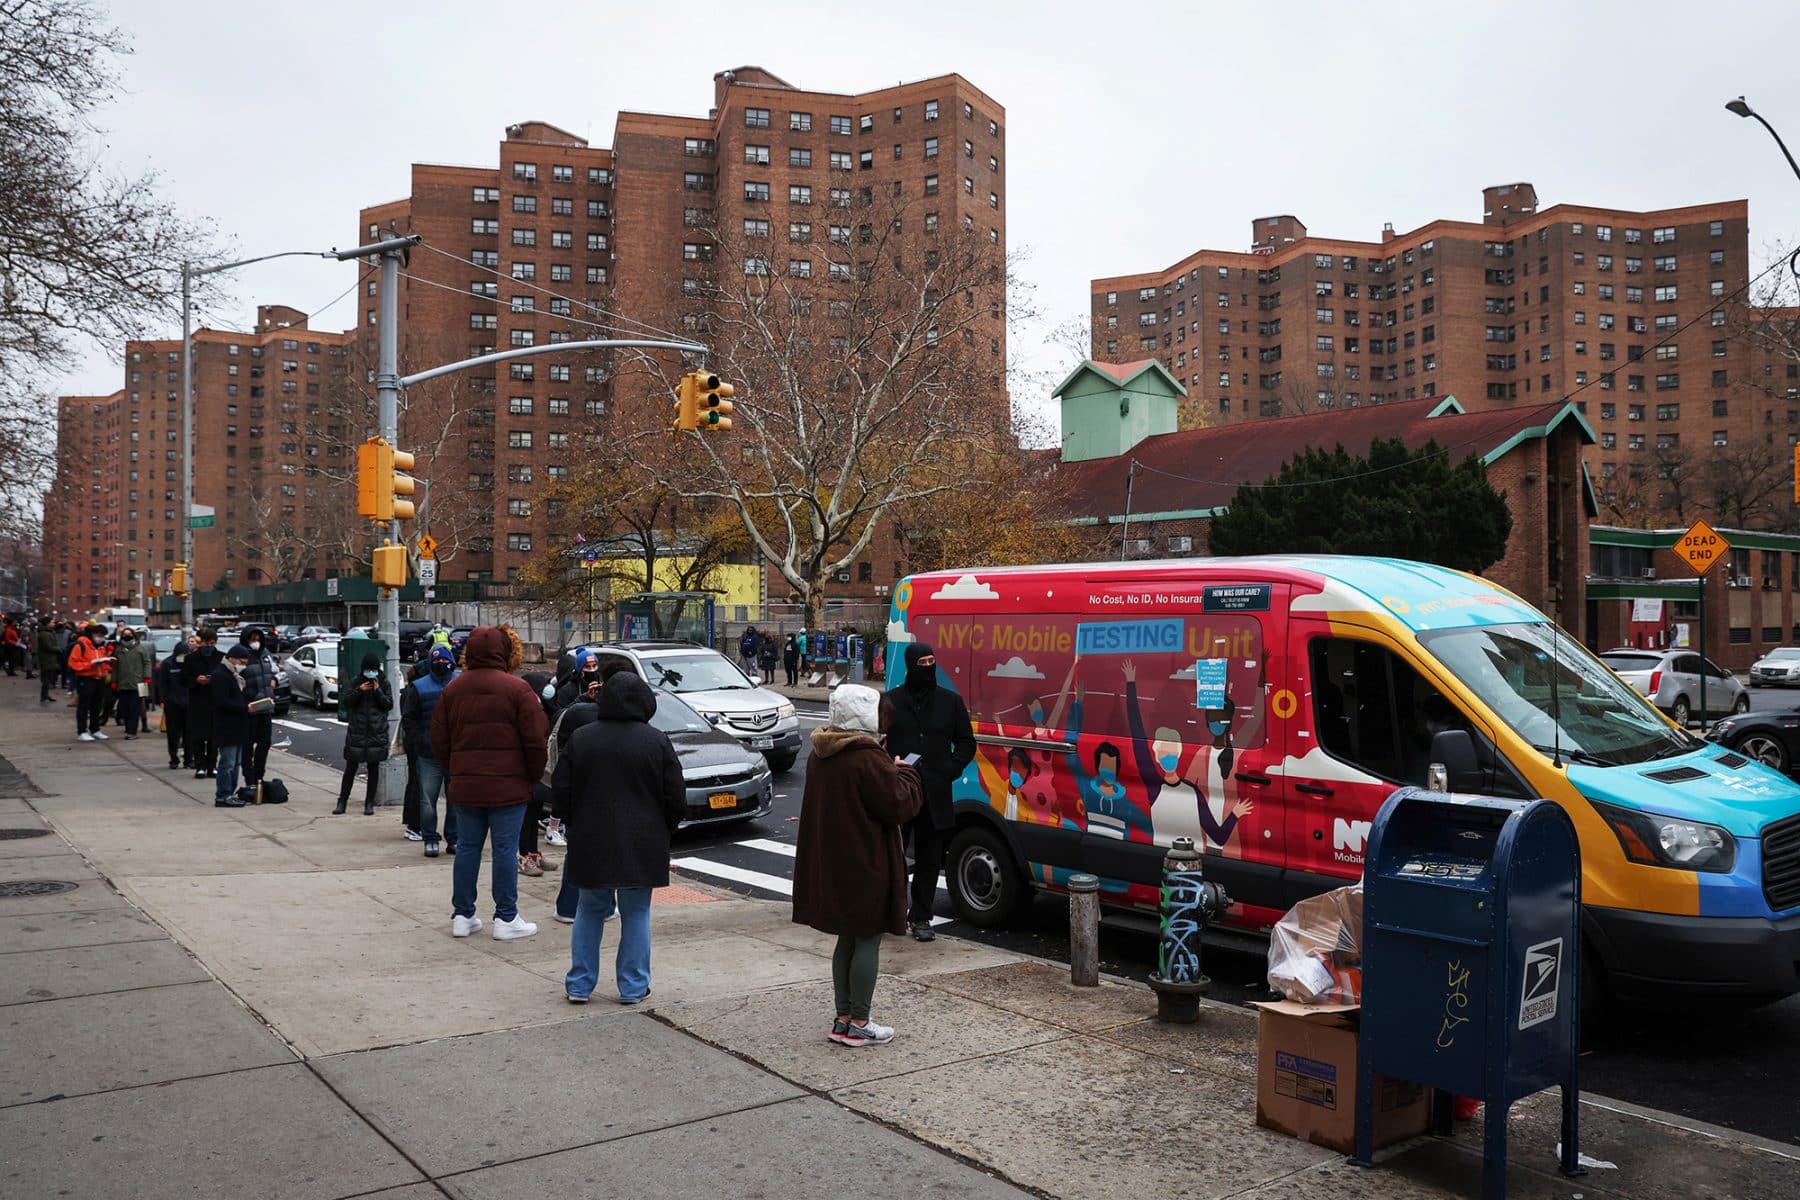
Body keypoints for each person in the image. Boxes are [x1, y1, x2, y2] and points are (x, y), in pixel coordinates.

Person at [793, 683, 922, 1046]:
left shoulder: (822, 752)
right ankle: (861, 1022)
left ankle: (843, 1018)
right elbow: (899, 804)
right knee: (868, 936)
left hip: (833, 860)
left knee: (846, 938)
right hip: (866, 860)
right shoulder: (867, 757)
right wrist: (906, 773)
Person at [552, 668, 684, 1005]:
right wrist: (663, 830)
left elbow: (561, 791)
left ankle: (580, 984)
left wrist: (572, 823)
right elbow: (676, 798)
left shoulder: (582, 738)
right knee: (636, 913)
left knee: (589, 909)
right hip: (643, 840)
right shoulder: (656, 741)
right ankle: (633, 986)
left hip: (590, 838)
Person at [430, 626, 546, 941]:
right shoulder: (518, 689)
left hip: (466, 785)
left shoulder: (453, 690)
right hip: (509, 786)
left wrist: (455, 769)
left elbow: (438, 738)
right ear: (503, 652)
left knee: (467, 848)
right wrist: (531, 776)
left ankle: (463, 914)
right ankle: (506, 917)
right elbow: (536, 740)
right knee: (505, 851)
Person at [880, 642, 975, 941]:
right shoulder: (891, 701)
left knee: (930, 858)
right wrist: (888, 764)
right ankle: (891, 912)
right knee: (893, 856)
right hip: (900, 791)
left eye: (932, 661)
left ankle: (921, 917)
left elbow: (966, 742)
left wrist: (950, 768)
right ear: (911, 665)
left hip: (935, 792)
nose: (928, 667)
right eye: (922, 662)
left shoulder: (950, 702)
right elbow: (875, 740)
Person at [400, 645, 457, 854]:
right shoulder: (419, 687)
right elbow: (409, 719)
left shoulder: (459, 684)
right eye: (437, 661)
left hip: (454, 753)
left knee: (456, 801)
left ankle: (453, 838)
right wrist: (418, 742)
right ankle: (430, 837)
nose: (441, 664)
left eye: (444, 661)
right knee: (427, 800)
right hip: (428, 753)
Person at [335, 652, 391, 815]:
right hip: (358, 731)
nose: (370, 673)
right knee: (351, 767)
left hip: (376, 731)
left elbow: (388, 704)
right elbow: (346, 701)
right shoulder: (356, 681)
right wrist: (359, 690)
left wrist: (378, 691)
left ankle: (369, 803)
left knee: (373, 768)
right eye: (367, 670)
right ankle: (342, 801)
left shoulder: (384, 682)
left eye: (373, 670)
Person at [212, 645, 255, 807]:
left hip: (237, 725)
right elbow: (221, 702)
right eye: (241, 661)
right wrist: (245, 708)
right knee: (227, 763)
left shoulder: (233, 675)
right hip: (227, 726)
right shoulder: (221, 675)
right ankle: (223, 795)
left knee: (235, 763)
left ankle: (230, 792)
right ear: (233, 658)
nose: (243, 665)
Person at [236, 628, 278, 788]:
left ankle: (259, 775)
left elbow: (273, 670)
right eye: (252, 638)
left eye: (258, 638)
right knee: (247, 746)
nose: (256, 642)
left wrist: (274, 680)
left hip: (265, 706)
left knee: (265, 743)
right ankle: (249, 778)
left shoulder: (265, 653)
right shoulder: (242, 655)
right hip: (250, 707)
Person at [183, 628, 222, 777]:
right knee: (198, 735)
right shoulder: (191, 659)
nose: (209, 646)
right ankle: (200, 765)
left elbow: (226, 677)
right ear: (202, 643)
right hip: (197, 700)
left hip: (214, 700)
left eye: (212, 643)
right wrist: (196, 680)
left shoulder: (220, 658)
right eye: (206, 643)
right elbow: (184, 679)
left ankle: (212, 765)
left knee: (214, 737)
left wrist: (213, 680)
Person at [67, 622, 112, 742]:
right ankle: (82, 731)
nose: (101, 638)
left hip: (99, 679)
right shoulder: (81, 645)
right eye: (99, 635)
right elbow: (73, 663)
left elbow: (103, 662)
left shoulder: (101, 646)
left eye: (103, 635)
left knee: (96, 706)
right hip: (86, 679)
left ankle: (95, 729)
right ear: (92, 634)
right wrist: (90, 664)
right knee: (84, 706)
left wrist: (107, 665)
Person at [156, 634, 194, 770]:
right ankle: (174, 758)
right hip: (173, 705)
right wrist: (165, 701)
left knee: (189, 734)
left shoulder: (190, 664)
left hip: (189, 705)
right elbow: (162, 685)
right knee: (173, 734)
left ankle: (189, 759)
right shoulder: (167, 664)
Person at [112, 627, 154, 740]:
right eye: (124, 635)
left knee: (135, 708)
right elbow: (115, 667)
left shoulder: (141, 649)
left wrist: (147, 677)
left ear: (134, 636)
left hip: (139, 683)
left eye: (129, 634)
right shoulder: (119, 650)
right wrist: (114, 681)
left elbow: (147, 663)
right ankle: (128, 728)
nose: (127, 636)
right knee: (125, 707)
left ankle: (132, 731)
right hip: (123, 683)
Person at [35, 620, 61, 703]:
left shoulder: (47, 633)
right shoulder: (45, 634)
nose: (53, 624)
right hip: (47, 659)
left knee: (48, 679)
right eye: (52, 622)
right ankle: (44, 697)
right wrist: (58, 649)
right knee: (46, 679)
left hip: (49, 658)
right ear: (47, 623)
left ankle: (46, 695)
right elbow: (48, 646)